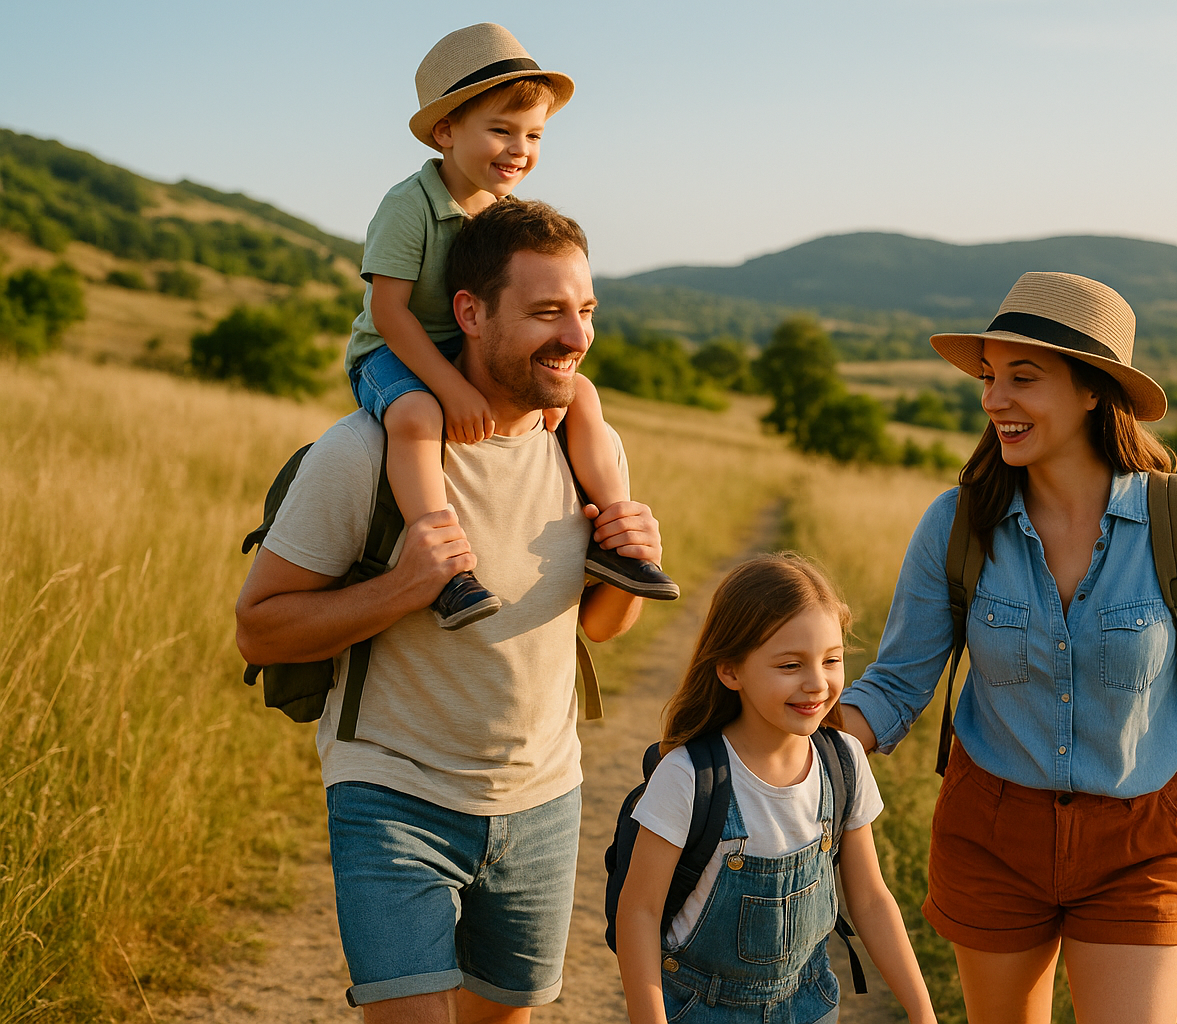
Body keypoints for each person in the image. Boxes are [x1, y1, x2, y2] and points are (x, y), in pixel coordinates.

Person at [235, 199, 658, 1024]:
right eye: (546, 313)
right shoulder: (361, 454)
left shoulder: (583, 450)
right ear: (469, 311)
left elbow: (602, 628)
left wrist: (629, 558)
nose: (575, 336)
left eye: (585, 311)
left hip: (543, 800)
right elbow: (259, 625)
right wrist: (404, 585)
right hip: (392, 794)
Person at [837, 273, 1177, 1024]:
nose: (994, 400)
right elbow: (895, 686)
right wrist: (796, 747)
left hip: (1143, 842)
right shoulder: (957, 524)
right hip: (991, 832)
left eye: (1023, 378)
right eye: (988, 378)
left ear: (1091, 390)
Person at [343, 22, 676, 631]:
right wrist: (452, 388)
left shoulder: (501, 215)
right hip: (391, 351)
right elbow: (389, 314)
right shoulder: (409, 206)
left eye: (533, 134)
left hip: (461, 346)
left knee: (583, 396)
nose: (518, 149)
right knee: (415, 417)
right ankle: (442, 562)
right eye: (500, 130)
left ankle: (617, 540)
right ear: (446, 131)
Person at [616, 555, 938, 1024]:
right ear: (731, 671)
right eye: (790, 665)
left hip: (809, 1006)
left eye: (831, 660)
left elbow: (870, 899)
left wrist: (922, 1012)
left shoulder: (843, 762)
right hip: (698, 1010)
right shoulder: (688, 776)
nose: (816, 684)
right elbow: (639, 913)